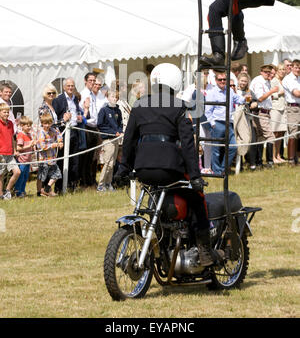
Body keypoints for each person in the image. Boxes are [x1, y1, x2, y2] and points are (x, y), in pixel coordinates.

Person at [117, 63, 223, 267]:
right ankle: (204, 250)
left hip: (143, 170)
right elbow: (188, 145)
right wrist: (195, 176)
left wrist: (123, 169)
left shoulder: (139, 105)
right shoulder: (180, 107)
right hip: (170, 170)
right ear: (176, 83)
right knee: (198, 200)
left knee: (152, 203)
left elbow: (128, 141)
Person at [205, 71, 246, 174]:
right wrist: (213, 124)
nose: (222, 81)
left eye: (224, 79)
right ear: (216, 80)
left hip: (229, 123)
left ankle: (222, 169)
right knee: (216, 149)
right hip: (218, 122)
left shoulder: (230, 91)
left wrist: (246, 99)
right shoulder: (212, 93)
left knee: (233, 147)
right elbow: (208, 111)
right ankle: (217, 171)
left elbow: (238, 99)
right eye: (220, 79)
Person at [52, 77, 82, 192]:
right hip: (63, 132)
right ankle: (59, 187)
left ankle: (72, 185)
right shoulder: (58, 100)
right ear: (64, 87)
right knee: (61, 160)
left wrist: (79, 118)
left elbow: (76, 113)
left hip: (74, 131)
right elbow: (55, 120)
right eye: (68, 86)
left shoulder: (75, 99)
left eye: (72, 86)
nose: (70, 88)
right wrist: (63, 119)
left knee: (74, 160)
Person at [250, 65, 278, 168]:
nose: (268, 74)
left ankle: (259, 161)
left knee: (260, 137)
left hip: (265, 112)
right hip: (260, 112)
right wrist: (272, 91)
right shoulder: (259, 82)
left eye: (269, 72)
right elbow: (260, 98)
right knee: (270, 136)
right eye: (266, 72)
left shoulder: (266, 81)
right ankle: (269, 162)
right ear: (261, 72)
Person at [97, 90, 123, 192]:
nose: (114, 99)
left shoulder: (118, 111)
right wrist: (113, 132)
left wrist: (119, 131)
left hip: (116, 139)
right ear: (107, 97)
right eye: (112, 97)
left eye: (116, 97)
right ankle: (100, 184)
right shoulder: (104, 110)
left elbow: (120, 124)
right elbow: (100, 125)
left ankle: (108, 183)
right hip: (108, 140)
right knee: (107, 162)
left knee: (112, 163)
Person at [79, 72, 100, 187]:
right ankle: (83, 181)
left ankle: (89, 178)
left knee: (91, 156)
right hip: (86, 127)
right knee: (85, 156)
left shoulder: (93, 94)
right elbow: (81, 111)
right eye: (90, 80)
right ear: (85, 81)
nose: (92, 82)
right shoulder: (83, 94)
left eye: (94, 80)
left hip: (94, 127)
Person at [36, 114, 63, 197]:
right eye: (45, 123)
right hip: (43, 159)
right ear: (42, 123)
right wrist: (54, 145)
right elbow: (41, 146)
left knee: (57, 174)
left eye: (49, 123)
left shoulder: (52, 130)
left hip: (52, 158)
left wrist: (60, 141)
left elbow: (58, 134)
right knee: (41, 177)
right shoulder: (41, 132)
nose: (47, 125)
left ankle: (47, 188)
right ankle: (39, 192)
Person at [0, 103, 21, 200]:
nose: (7, 114)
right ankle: (1, 195)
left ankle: (7, 191)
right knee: (1, 175)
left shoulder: (10, 123)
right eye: (4, 112)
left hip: (10, 153)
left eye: (8, 112)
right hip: (1, 153)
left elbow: (12, 138)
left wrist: (15, 149)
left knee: (17, 172)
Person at [282, 59, 300, 165]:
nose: (298, 69)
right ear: (292, 68)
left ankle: (296, 157)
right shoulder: (288, 79)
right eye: (296, 67)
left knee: (298, 134)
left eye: (299, 67)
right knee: (293, 134)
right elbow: (296, 93)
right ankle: (290, 159)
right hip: (292, 108)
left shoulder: (299, 78)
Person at [270, 64, 287, 164]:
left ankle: (278, 154)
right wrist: (280, 93)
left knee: (281, 132)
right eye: (280, 69)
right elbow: (271, 94)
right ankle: (272, 156)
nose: (282, 71)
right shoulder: (273, 81)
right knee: (275, 133)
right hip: (275, 108)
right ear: (276, 71)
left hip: (283, 108)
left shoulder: (283, 81)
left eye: (284, 69)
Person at [14, 116, 35, 198]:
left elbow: (30, 146)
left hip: (28, 160)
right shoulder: (20, 135)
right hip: (22, 161)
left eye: (30, 125)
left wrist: (33, 146)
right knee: (21, 177)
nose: (29, 127)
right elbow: (19, 148)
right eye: (27, 125)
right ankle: (18, 192)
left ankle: (23, 191)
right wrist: (29, 145)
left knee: (26, 177)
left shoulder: (29, 135)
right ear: (22, 125)